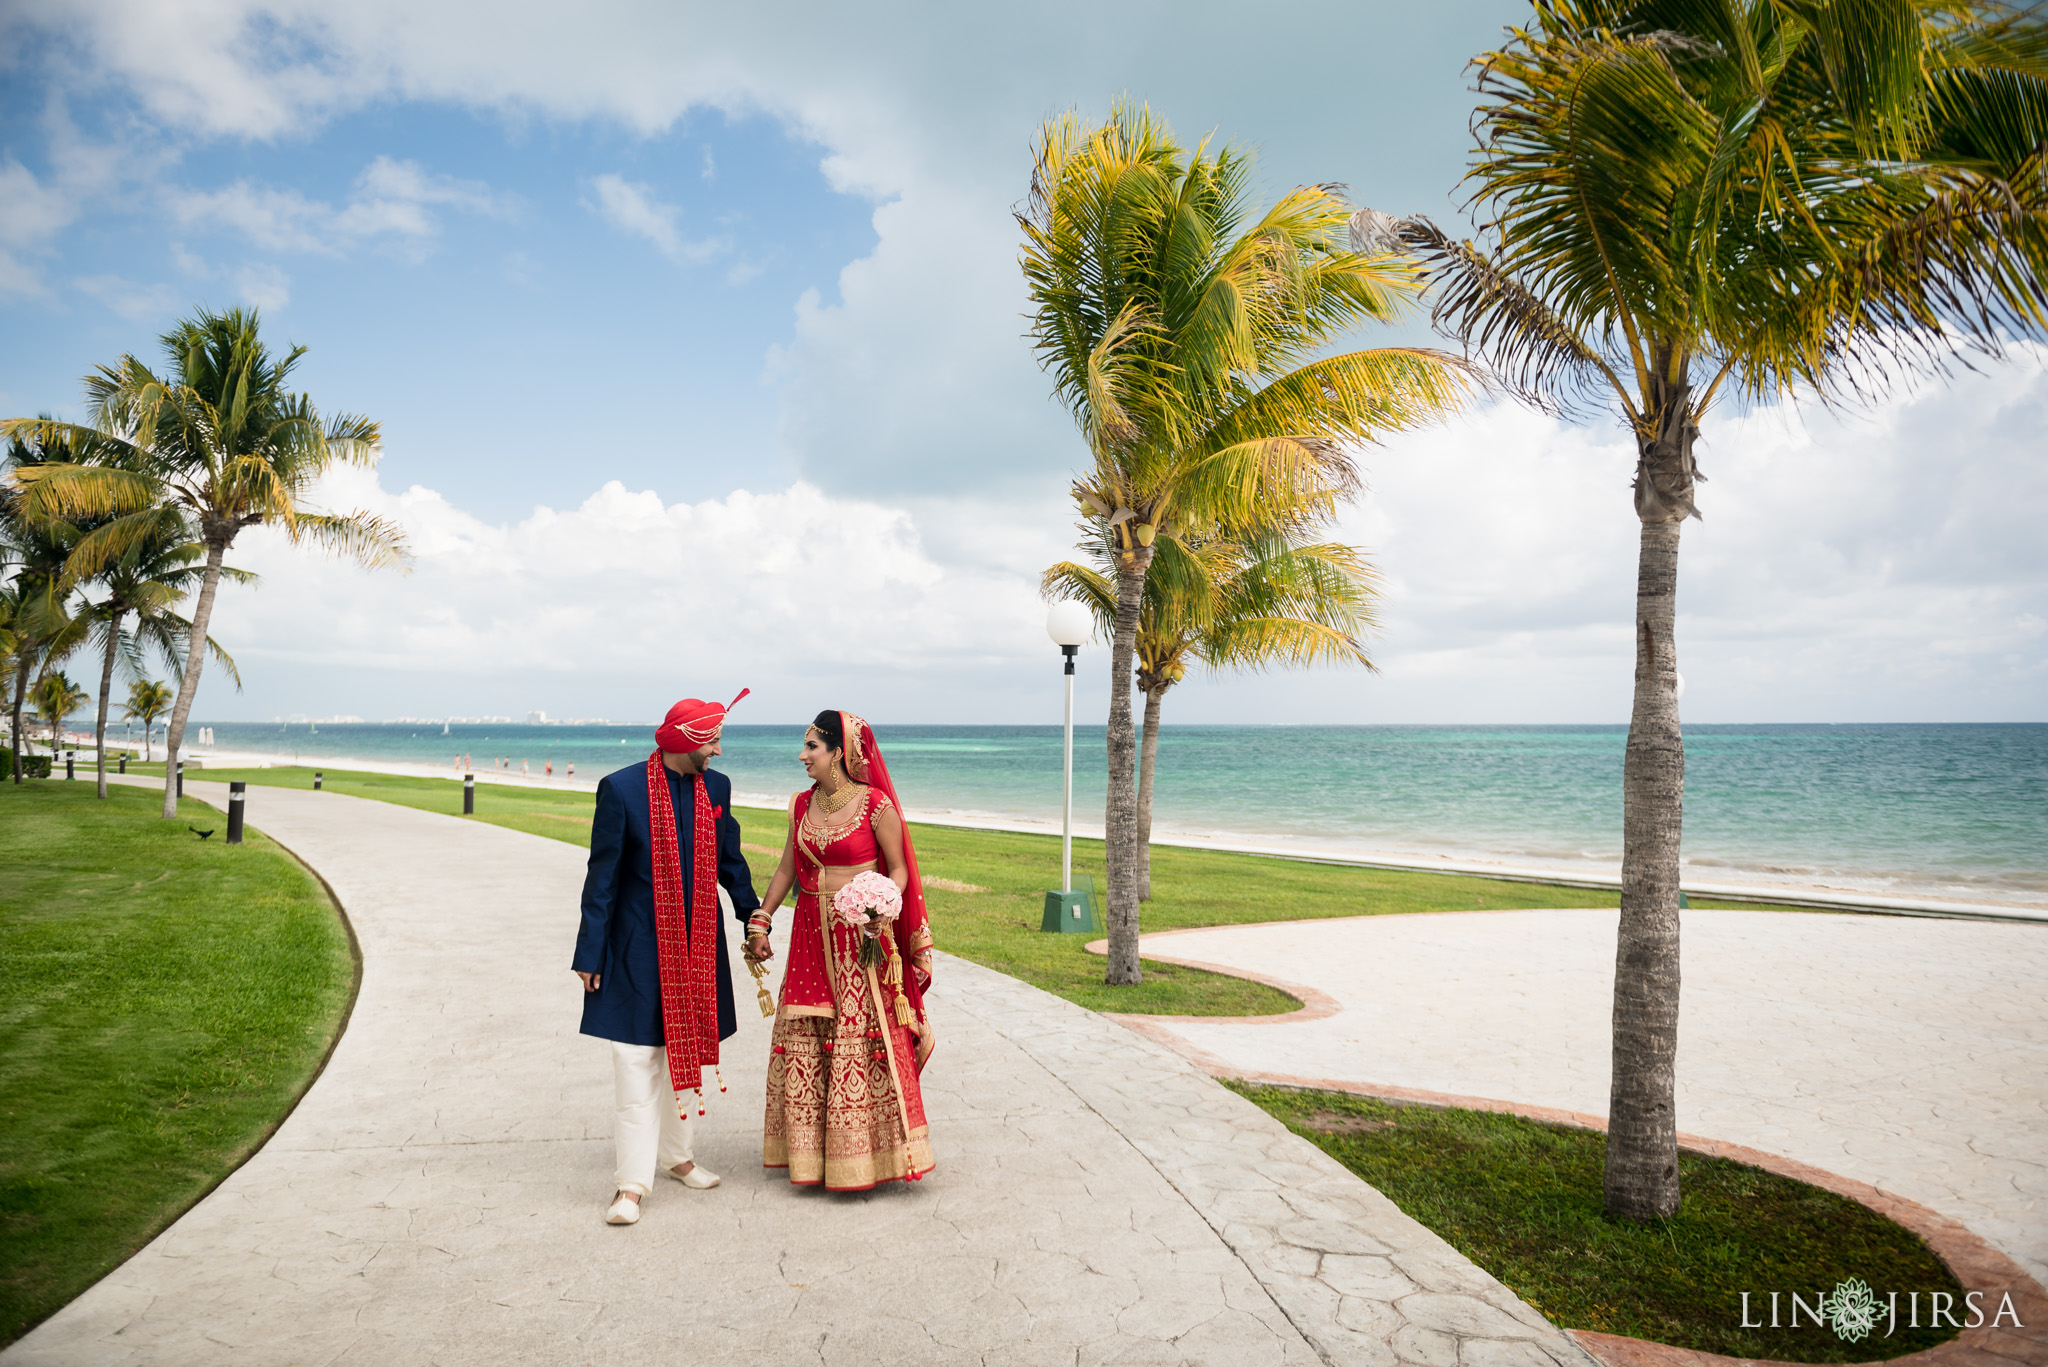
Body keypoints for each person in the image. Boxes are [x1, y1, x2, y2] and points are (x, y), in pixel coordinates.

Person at [572, 690, 761, 1226]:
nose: (720, 752)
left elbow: (731, 862)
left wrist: (753, 916)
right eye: (714, 740)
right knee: (636, 1064)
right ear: (690, 741)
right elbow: (600, 880)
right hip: (635, 949)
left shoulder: (715, 788)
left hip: (698, 948)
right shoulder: (622, 790)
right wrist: (590, 953)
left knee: (690, 1049)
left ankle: (678, 1158)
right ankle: (630, 1187)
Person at [747, 710, 935, 1190]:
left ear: (839, 753)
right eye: (805, 746)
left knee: (863, 1035)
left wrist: (879, 911)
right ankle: (812, 1160)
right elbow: (788, 869)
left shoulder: (876, 807)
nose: (803, 755)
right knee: (809, 1029)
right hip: (812, 935)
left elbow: (899, 869)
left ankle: (876, 1157)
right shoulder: (800, 806)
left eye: (812, 746)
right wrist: (762, 918)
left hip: (862, 942)